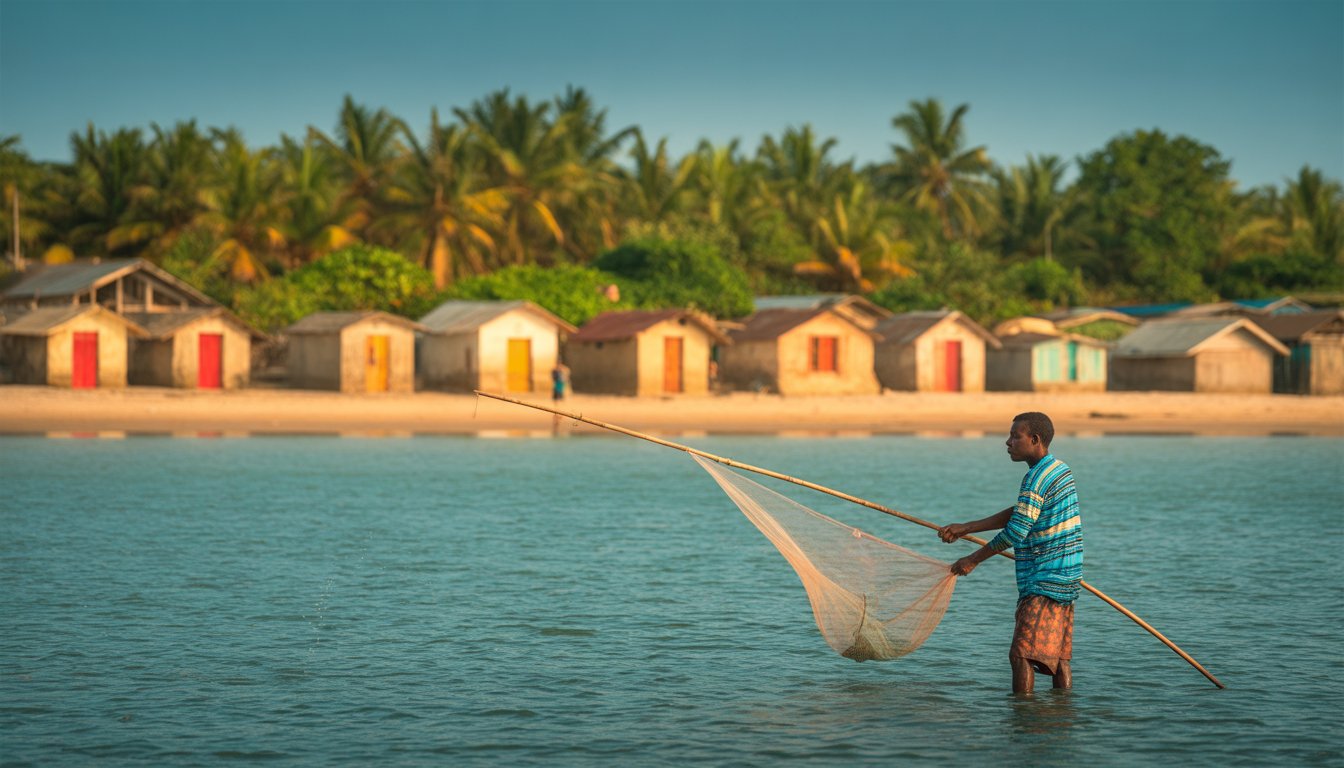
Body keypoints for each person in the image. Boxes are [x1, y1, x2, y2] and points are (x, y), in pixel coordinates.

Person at [938, 412, 1083, 694]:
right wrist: (968, 528)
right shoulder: (1058, 469)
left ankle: (1024, 725)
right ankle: (1062, 715)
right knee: (1059, 658)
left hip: (1045, 578)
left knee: (1021, 656)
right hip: (1068, 575)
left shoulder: (1036, 478)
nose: (1008, 442)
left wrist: (972, 560)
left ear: (1035, 439)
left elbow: (1016, 532)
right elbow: (1022, 512)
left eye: (1015, 436)